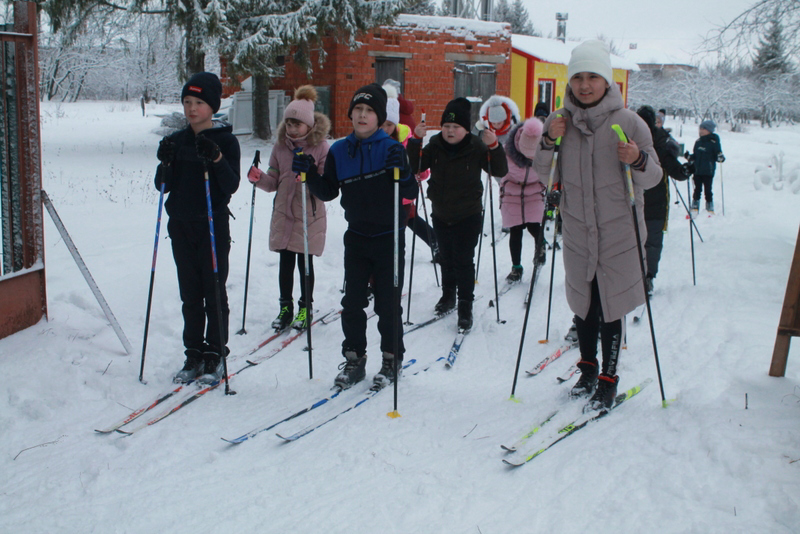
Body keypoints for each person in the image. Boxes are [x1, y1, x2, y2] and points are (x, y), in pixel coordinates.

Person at [534, 40, 662, 410]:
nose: (585, 85)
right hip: (576, 230)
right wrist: (548, 140)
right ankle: (587, 368)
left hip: (618, 232)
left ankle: (608, 378)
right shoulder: (559, 121)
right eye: (578, 77)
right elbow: (544, 173)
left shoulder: (630, 122)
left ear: (606, 80)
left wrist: (637, 158)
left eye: (593, 77)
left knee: (612, 305)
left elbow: (653, 178)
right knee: (584, 305)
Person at [293, 83, 417, 390]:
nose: (362, 115)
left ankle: (391, 358)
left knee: (388, 304)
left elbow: (411, 192)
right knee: (352, 303)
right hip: (358, 236)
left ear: (379, 117)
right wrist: (309, 173)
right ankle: (354, 359)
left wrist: (403, 171)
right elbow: (329, 191)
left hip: (389, 236)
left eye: (369, 111)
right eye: (358, 110)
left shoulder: (392, 149)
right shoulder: (339, 151)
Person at [155, 72, 241, 384]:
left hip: (212, 226)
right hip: (181, 225)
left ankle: (215, 353)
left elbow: (231, 185)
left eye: (199, 103)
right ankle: (193, 353)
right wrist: (164, 161)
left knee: (213, 291)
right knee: (190, 294)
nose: (192, 109)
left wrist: (216, 158)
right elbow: (161, 186)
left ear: (212, 106)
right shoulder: (176, 142)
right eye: (188, 102)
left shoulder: (225, 140)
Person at [408, 97, 509, 331]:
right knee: (446, 257)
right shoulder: (434, 144)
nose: (450, 131)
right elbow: (416, 167)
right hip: (441, 213)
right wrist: (415, 141)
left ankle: (465, 305)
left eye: (456, 127)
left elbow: (500, 170)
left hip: (468, 214)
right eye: (446, 126)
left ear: (465, 129)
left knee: (463, 260)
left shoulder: (476, 146)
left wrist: (494, 146)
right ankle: (448, 295)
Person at [247, 85, 330, 331]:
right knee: (285, 263)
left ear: (309, 125)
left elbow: (325, 183)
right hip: (284, 214)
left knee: (305, 265)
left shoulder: (321, 147)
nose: (293, 129)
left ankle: (306, 307)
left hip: (308, 216)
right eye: (289, 124)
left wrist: (309, 177)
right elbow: (273, 180)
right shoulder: (280, 147)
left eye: (298, 124)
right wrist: (259, 178)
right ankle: (285, 307)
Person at [636, 105, 689, 296]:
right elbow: (677, 171)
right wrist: (686, 170)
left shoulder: (631, 137)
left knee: (633, 239)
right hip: (654, 199)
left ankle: (639, 277)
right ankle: (647, 277)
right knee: (652, 241)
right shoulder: (662, 140)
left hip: (635, 197)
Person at [381, 83, 438, 258]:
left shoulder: (404, 137)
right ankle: (436, 243)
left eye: (388, 124)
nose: (384, 129)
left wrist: (417, 171)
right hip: (381, 195)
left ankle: (436, 244)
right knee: (407, 221)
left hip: (402, 192)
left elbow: (418, 164)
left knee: (405, 222)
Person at [495, 117, 547, 283]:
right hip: (512, 194)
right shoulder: (506, 152)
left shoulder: (545, 152)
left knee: (534, 226)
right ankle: (516, 268)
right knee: (515, 231)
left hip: (534, 193)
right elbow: (499, 171)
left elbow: (549, 173)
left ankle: (541, 248)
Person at [685, 119, 724, 215]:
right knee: (697, 189)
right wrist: (689, 157)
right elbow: (696, 155)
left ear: (709, 130)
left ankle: (709, 206)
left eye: (703, 129)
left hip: (708, 171)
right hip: (697, 170)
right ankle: (695, 205)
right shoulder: (698, 142)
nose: (701, 131)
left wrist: (720, 157)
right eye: (700, 128)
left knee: (708, 190)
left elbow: (718, 155)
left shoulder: (714, 142)